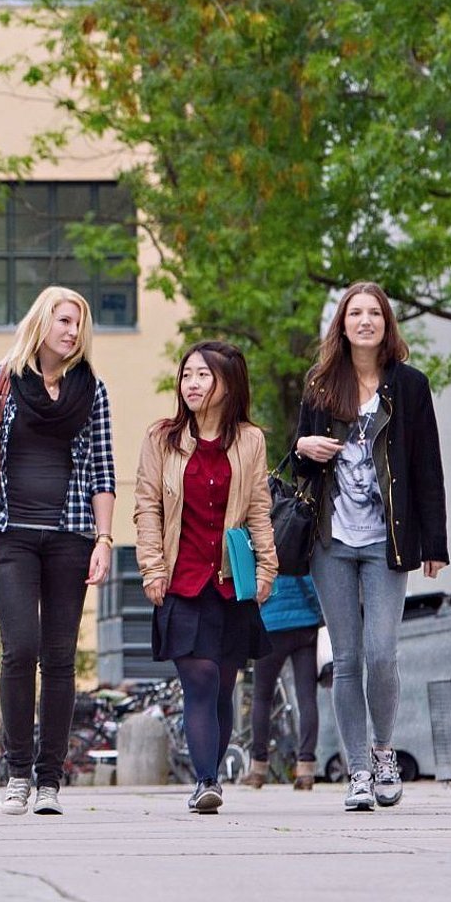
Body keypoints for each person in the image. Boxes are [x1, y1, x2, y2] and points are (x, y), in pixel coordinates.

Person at [0, 286, 115, 818]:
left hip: (71, 535)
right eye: (64, 321)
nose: (72, 332)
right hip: (9, 533)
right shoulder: (1, 382)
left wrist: (104, 540)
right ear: (41, 323)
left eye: (79, 325)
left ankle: (49, 780)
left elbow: (105, 471)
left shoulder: (94, 391)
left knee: (60, 658)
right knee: (20, 648)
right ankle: (17, 772)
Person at [293, 282, 447, 811]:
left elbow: (427, 466)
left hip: (389, 541)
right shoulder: (320, 385)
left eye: (373, 312)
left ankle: (384, 752)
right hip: (331, 542)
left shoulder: (409, 385)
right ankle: (357, 771)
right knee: (348, 658)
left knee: (383, 654)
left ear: (386, 323)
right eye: (354, 312)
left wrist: (435, 542)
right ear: (342, 324)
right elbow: (299, 466)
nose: (364, 320)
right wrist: (302, 447)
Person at [133, 340, 277, 814]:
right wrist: (152, 567)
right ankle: (207, 780)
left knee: (223, 684)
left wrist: (266, 570)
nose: (191, 384)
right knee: (200, 678)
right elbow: (148, 507)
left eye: (203, 375)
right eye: (187, 375)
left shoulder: (250, 440)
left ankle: (208, 777)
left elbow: (259, 509)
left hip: (230, 581)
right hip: (181, 580)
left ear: (227, 384)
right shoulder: (162, 438)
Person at [247, 575, 322, 791]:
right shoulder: (303, 541)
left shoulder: (262, 543)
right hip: (305, 625)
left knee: (262, 697)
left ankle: (258, 769)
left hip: (271, 624)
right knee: (307, 697)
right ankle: (306, 768)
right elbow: (313, 582)